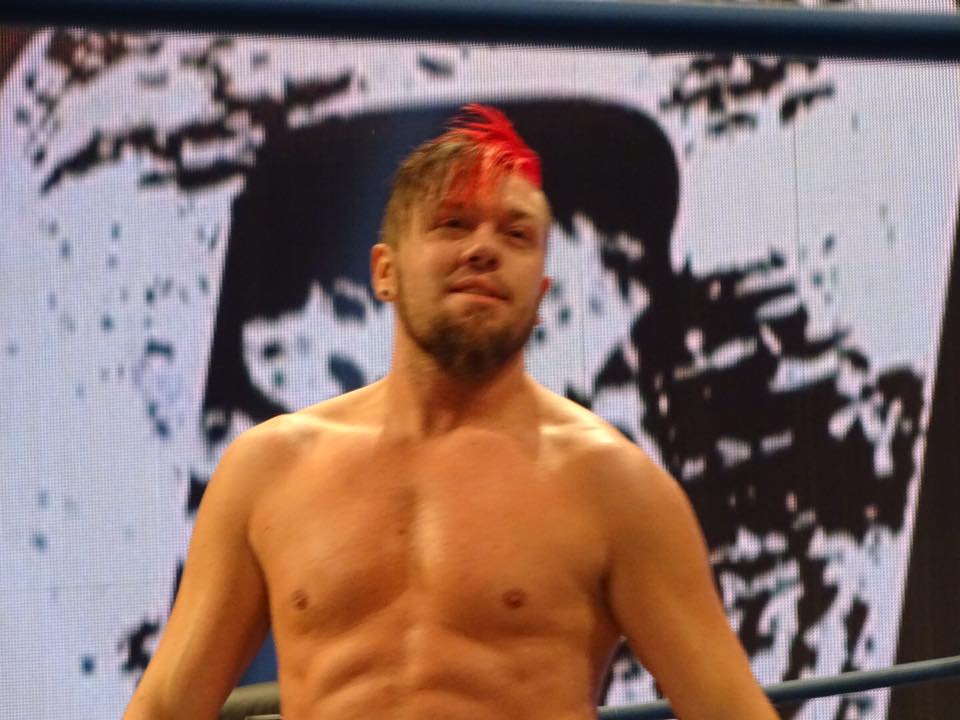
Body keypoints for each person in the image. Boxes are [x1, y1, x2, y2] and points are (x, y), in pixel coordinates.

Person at [122, 104, 779, 720]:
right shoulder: (266, 471)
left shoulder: (616, 488)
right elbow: (168, 705)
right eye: (454, 223)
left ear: (541, 290)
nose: (484, 249)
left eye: (516, 234)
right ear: (384, 272)